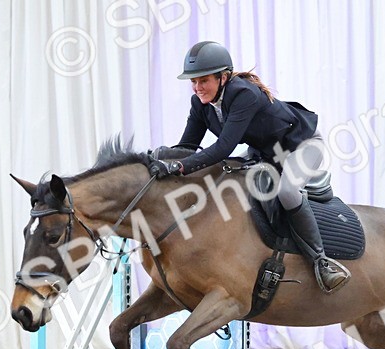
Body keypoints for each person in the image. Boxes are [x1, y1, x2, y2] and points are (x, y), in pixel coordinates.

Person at [149, 41, 351, 293]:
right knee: (228, 180)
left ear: (223, 77)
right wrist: (157, 159)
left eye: (204, 81)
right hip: (265, 151)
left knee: (287, 192)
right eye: (194, 82)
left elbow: (223, 148)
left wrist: (178, 165)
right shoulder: (199, 103)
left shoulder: (243, 94)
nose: (198, 88)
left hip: (301, 145)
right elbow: (188, 147)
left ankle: (322, 263)